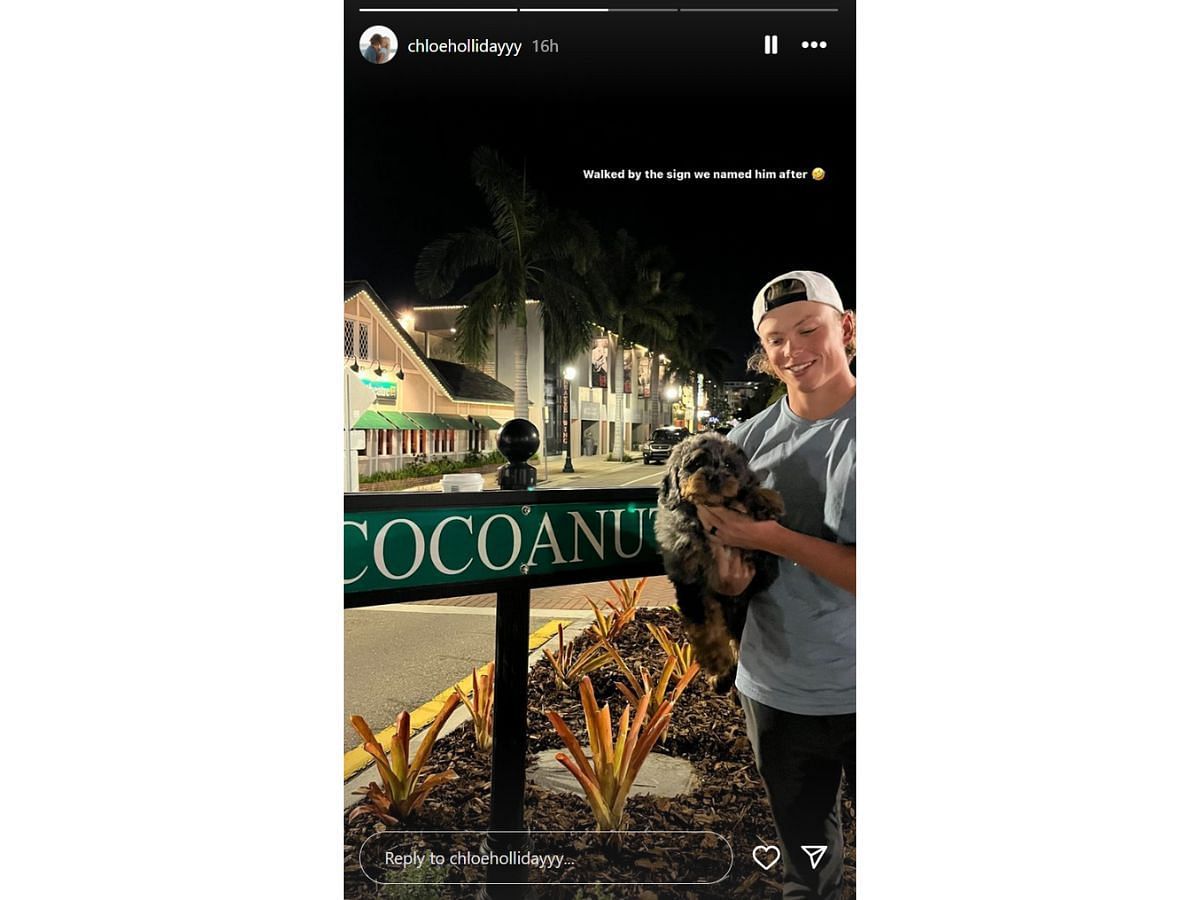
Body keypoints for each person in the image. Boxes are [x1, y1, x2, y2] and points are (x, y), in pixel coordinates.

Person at [696, 270, 856, 900]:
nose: (794, 350)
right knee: (807, 870)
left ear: (847, 327)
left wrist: (772, 540)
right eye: (776, 340)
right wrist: (727, 580)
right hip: (777, 689)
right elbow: (717, 561)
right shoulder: (743, 443)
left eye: (809, 329)